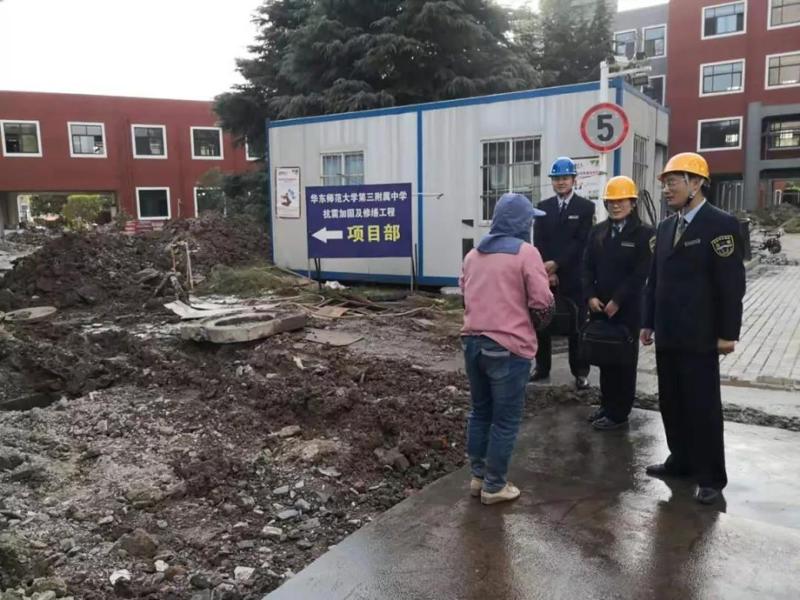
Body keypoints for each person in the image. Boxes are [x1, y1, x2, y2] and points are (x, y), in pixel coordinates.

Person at [641, 152, 746, 506]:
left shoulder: (721, 224)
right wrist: (647, 321)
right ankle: (681, 460)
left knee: (702, 407)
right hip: (668, 331)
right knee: (671, 402)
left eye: (673, 182)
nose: (666, 189)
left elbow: (731, 284)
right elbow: (654, 280)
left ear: (696, 183)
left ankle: (711, 476)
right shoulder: (666, 227)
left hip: (700, 334)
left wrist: (728, 333)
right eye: (665, 184)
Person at [460, 193, 554, 505]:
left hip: (473, 342)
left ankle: (478, 478)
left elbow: (465, 295)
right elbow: (542, 303)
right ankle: (495, 485)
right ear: (522, 223)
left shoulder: (473, 255)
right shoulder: (527, 253)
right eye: (530, 221)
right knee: (505, 419)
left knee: (480, 412)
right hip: (507, 348)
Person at [581, 176, 654, 430]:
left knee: (624, 362)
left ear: (632, 203)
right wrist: (590, 296)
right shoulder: (598, 231)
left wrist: (618, 300)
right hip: (599, 307)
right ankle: (607, 405)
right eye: (611, 201)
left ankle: (619, 413)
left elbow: (641, 273)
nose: (615, 206)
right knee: (605, 358)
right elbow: (587, 267)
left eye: (621, 201)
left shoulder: (645, 234)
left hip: (627, 310)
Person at [532, 157, 594, 389]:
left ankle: (580, 372)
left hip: (574, 276)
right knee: (542, 321)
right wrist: (546, 270)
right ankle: (541, 367)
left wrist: (557, 264)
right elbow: (539, 240)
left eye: (565, 178)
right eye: (557, 178)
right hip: (546, 276)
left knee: (577, 325)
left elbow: (581, 242)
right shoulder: (543, 207)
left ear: (573, 180)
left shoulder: (585, 208)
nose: (561, 182)